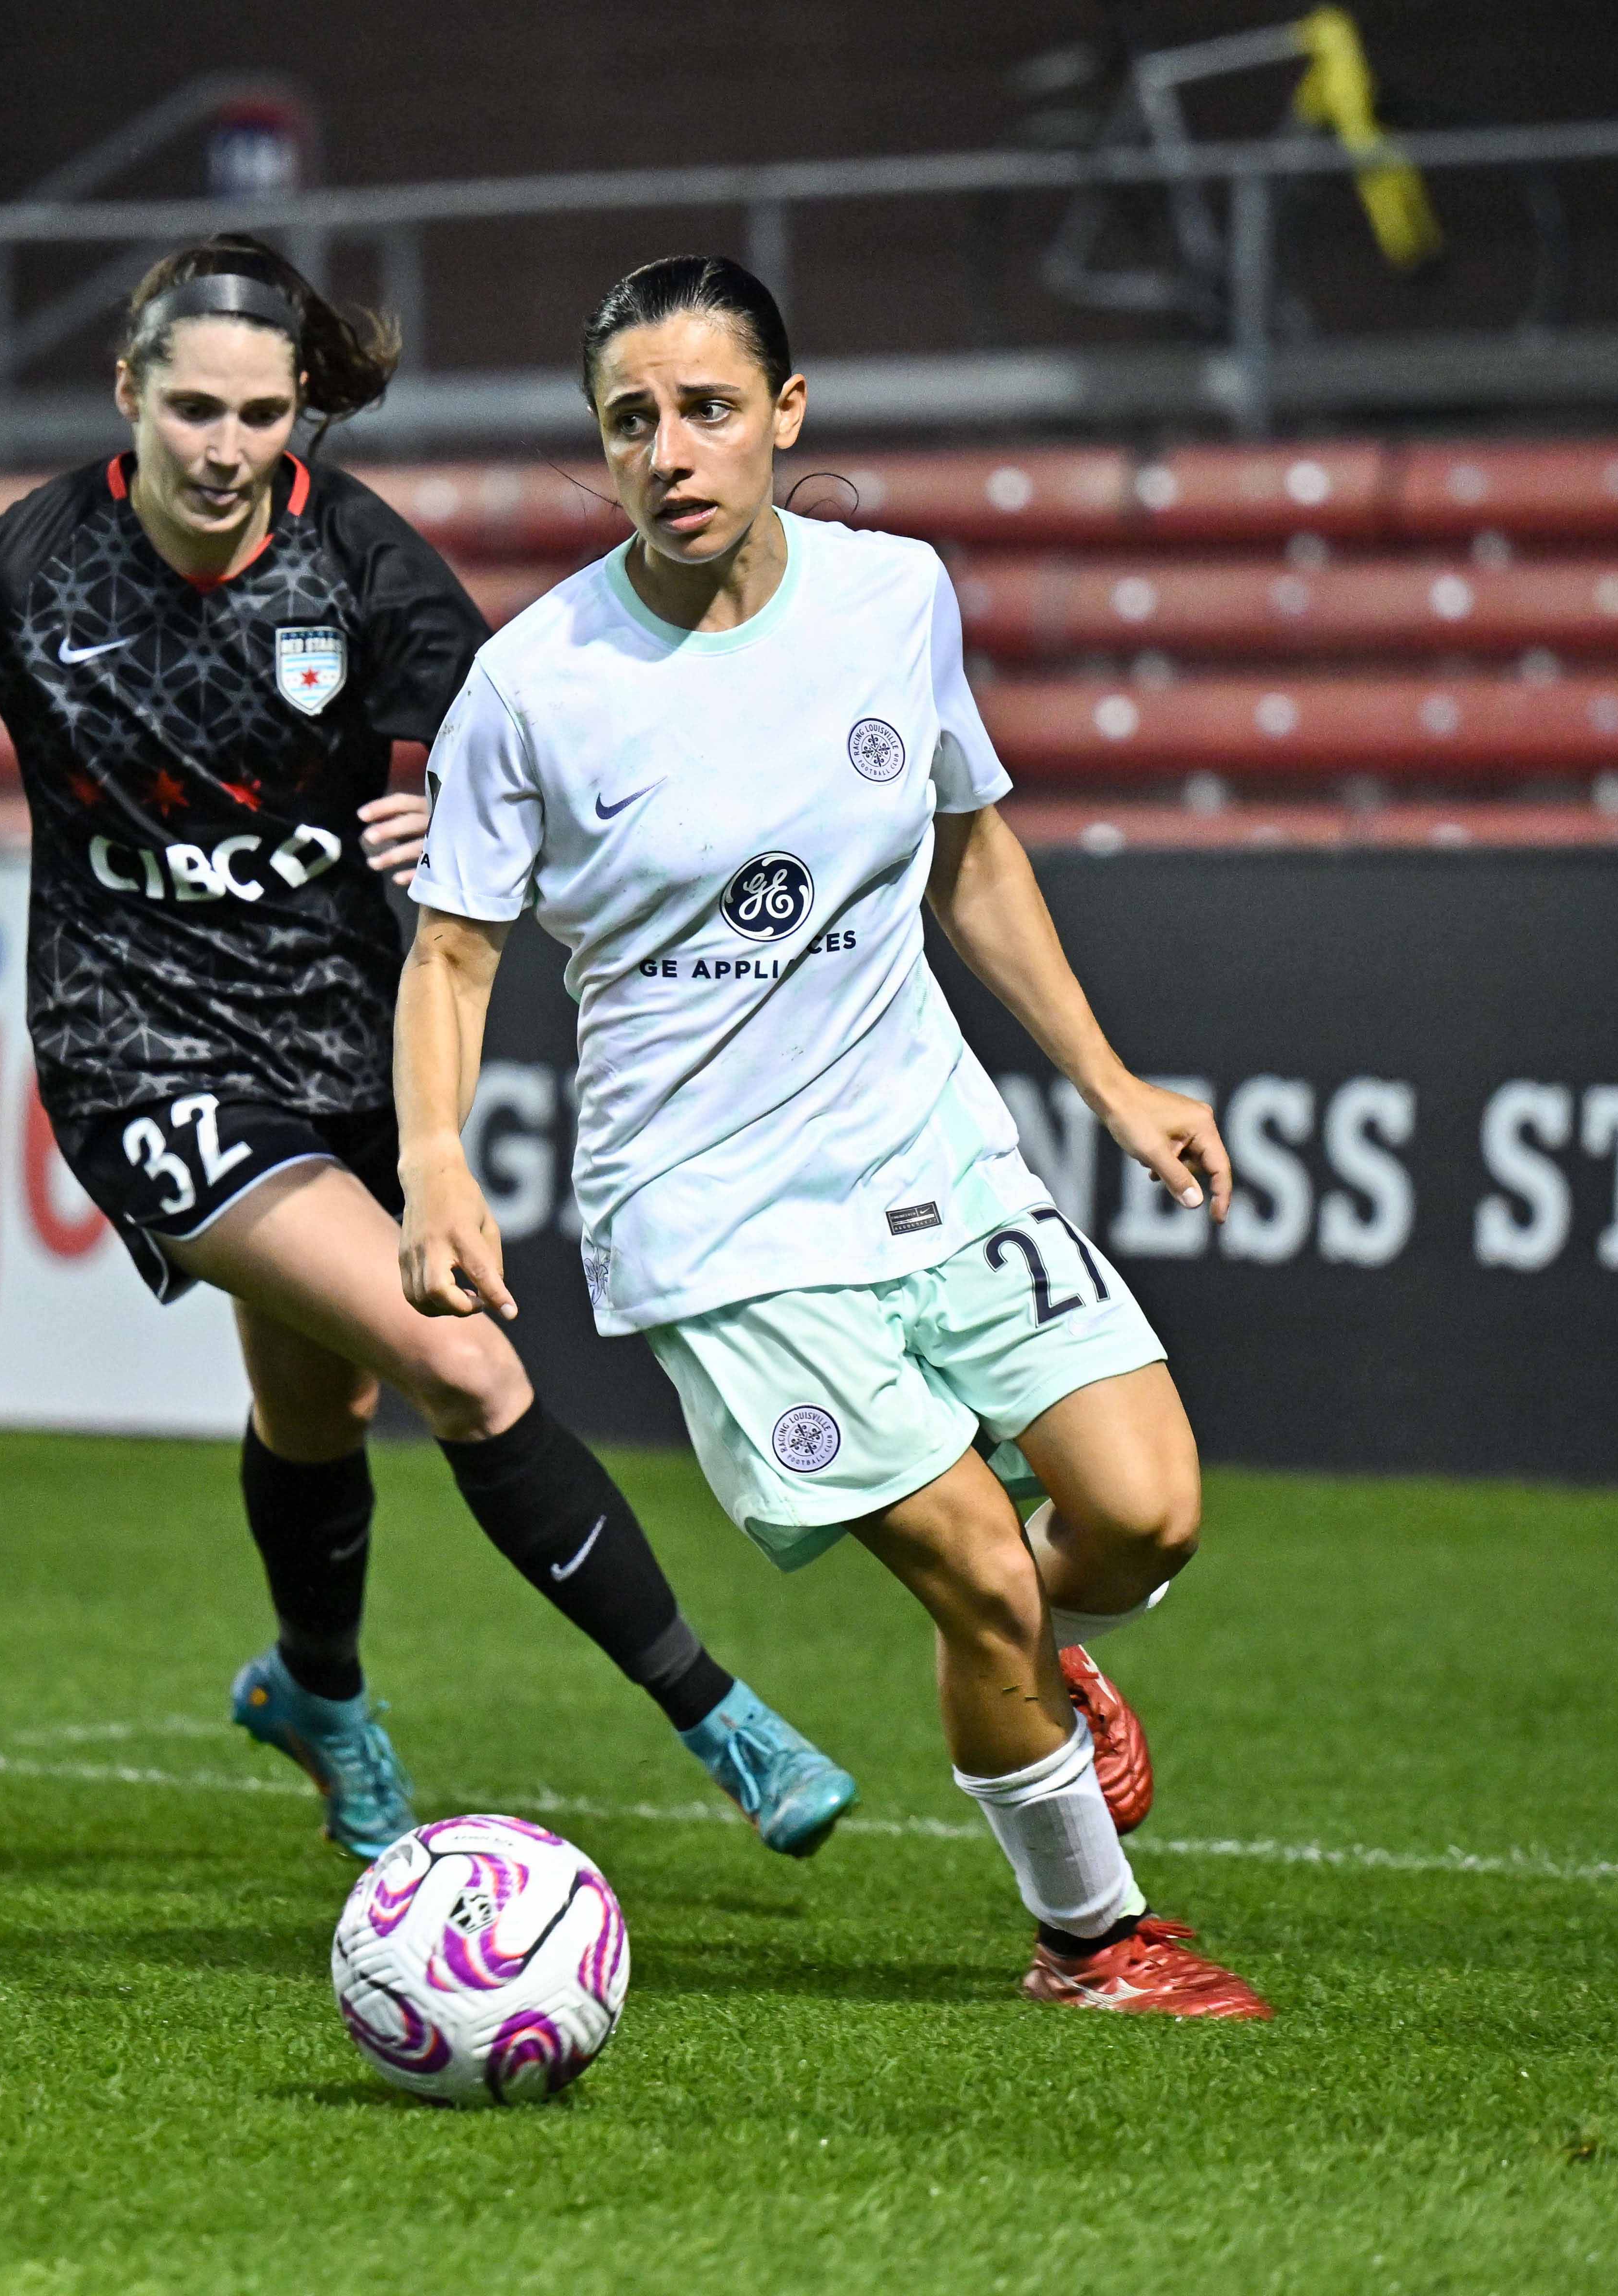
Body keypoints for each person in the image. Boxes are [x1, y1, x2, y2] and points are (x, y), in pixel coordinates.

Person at [0, 235, 854, 1866]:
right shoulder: (16, 568)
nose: (225, 449)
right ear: (127, 394)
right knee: (464, 1362)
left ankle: (315, 1693)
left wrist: (458, 806)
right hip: (136, 1051)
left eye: (263, 415)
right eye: (195, 409)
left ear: (301, 415)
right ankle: (720, 1716)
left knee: (318, 1407)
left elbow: (521, 767)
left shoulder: (368, 573)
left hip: (346, 1048)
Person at [393, 254, 1269, 2017]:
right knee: (972, 1573)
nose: (671, 451)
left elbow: (972, 849)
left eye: (710, 409)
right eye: (631, 421)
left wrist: (1109, 1082)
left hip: (928, 1148)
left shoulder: (895, 598)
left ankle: (1044, 1663)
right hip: (714, 1220)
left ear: (788, 418)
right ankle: (1093, 1942)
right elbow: (455, 954)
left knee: (1144, 1517)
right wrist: (433, 1169)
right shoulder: (536, 684)